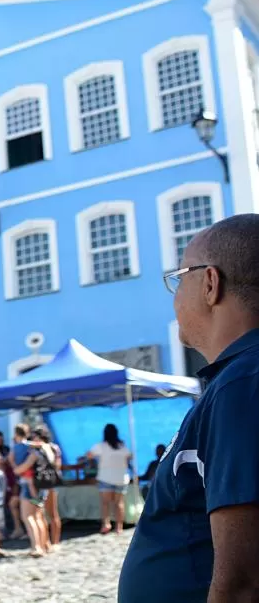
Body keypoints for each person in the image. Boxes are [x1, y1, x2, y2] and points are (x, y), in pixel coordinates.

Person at [121, 215, 259, 601]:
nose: (176, 293)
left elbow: (244, 583)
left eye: (181, 277)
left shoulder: (242, 383)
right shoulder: (237, 378)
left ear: (211, 283)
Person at [13, 429, 53, 557]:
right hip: (42, 488)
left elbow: (20, 470)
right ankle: (44, 544)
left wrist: (13, 465)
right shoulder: (48, 452)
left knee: (28, 516)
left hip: (30, 487)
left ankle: (36, 546)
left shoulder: (34, 454)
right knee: (38, 517)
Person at [87, 423, 132, 535]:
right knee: (119, 503)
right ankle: (119, 527)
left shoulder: (101, 446)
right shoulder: (123, 447)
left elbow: (89, 455)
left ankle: (106, 524)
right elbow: (130, 457)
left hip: (105, 477)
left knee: (105, 503)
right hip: (121, 478)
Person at [35, 425, 63, 545]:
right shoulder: (37, 449)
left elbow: (56, 464)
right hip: (44, 482)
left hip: (50, 482)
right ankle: (46, 541)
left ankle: (55, 541)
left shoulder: (52, 448)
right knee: (43, 514)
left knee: (52, 513)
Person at [7, 423, 29, 540]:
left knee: (18, 506)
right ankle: (21, 528)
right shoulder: (30, 446)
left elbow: (10, 460)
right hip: (28, 480)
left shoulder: (15, 447)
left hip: (21, 481)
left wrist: (16, 468)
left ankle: (21, 528)